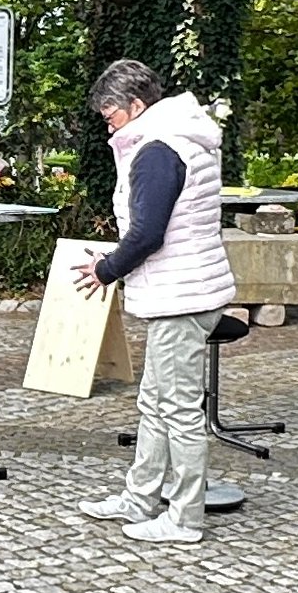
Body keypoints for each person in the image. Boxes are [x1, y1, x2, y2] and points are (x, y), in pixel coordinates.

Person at [67, 60, 239, 545]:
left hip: (180, 295)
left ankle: (184, 518)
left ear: (137, 105)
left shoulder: (158, 150)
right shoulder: (179, 138)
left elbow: (147, 234)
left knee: (178, 409)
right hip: (185, 287)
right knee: (154, 402)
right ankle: (139, 498)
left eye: (111, 115)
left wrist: (106, 270)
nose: (108, 125)